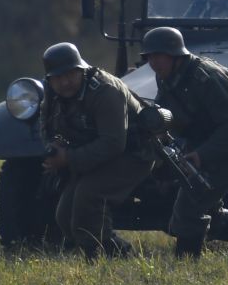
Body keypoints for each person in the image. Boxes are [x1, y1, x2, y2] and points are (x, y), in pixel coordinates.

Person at [142, 27, 228, 256]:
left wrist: (202, 155)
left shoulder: (207, 77)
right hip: (198, 149)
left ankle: (186, 265)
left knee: (189, 205)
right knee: (209, 211)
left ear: (176, 55)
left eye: (159, 56)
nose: (153, 62)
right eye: (149, 57)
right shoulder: (167, 76)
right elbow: (166, 113)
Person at [38, 42, 149, 258]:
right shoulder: (51, 96)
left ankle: (105, 256)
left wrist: (68, 158)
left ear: (81, 71)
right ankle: (107, 251)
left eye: (70, 74)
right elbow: (46, 129)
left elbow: (114, 142)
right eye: (58, 78)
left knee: (88, 198)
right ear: (50, 80)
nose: (65, 82)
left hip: (135, 153)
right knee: (64, 216)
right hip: (96, 156)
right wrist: (54, 148)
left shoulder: (106, 91)